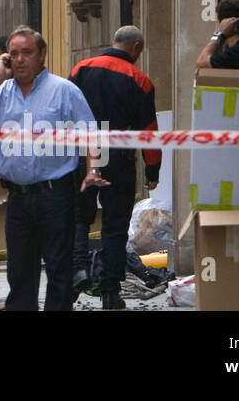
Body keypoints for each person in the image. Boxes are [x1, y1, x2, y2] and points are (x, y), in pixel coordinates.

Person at [0, 26, 96, 310]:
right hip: (18, 198)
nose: (20, 59)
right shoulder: (3, 92)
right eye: (14, 54)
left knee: (59, 271)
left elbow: (92, 134)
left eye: (27, 52)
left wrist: (93, 172)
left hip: (55, 195)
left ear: (42, 55)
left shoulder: (64, 90)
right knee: (20, 272)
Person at [68, 26, 161, 310]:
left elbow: (64, 112)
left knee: (77, 217)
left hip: (84, 153)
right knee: (115, 225)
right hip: (119, 155)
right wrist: (152, 170)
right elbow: (149, 132)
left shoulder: (81, 69)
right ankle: (109, 293)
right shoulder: (140, 80)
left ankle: (77, 272)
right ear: (136, 48)